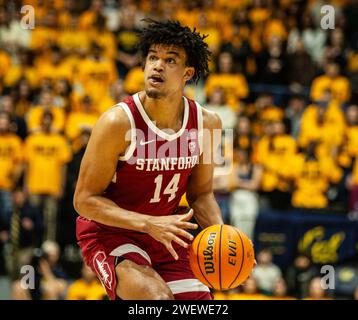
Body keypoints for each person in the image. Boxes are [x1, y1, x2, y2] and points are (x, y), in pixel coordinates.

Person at [74, 19, 224, 300]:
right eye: (153, 57)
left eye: (170, 60)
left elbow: (202, 194)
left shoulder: (209, 124)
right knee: (157, 300)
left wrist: (224, 239)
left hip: (166, 231)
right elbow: (84, 200)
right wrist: (146, 223)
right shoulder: (117, 122)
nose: (157, 65)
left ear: (187, 73)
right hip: (110, 232)